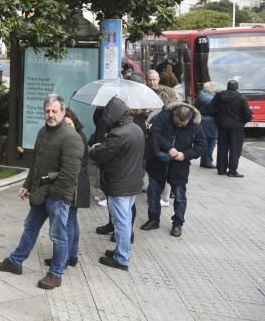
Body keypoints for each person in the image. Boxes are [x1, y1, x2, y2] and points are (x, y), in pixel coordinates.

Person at [0, 94, 83, 290]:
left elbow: (69, 175)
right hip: (42, 193)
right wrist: (27, 184)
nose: (50, 115)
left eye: (54, 111)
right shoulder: (43, 132)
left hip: (57, 197)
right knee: (30, 227)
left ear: (63, 112)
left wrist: (49, 193)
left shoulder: (71, 138)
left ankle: (56, 274)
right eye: (47, 111)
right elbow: (36, 165)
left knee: (58, 235)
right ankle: (15, 262)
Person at [88, 97, 144, 270]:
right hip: (132, 183)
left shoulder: (119, 134)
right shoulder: (136, 129)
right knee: (125, 220)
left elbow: (100, 155)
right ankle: (122, 250)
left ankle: (121, 259)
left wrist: (95, 148)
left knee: (121, 223)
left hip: (119, 185)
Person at [141, 103, 206, 237]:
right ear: (174, 115)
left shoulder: (196, 125)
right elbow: (155, 133)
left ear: (189, 119)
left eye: (183, 124)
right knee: (153, 192)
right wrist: (168, 147)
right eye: (177, 123)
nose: (179, 126)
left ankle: (177, 223)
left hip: (179, 166)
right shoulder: (164, 116)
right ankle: (153, 219)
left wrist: (185, 155)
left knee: (180, 197)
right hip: (158, 162)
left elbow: (201, 146)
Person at [50, 108, 90, 270]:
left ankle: (65, 257)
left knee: (67, 222)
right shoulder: (75, 137)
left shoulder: (75, 139)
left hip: (75, 185)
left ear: (74, 122)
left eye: (68, 123)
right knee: (71, 220)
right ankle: (71, 255)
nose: (65, 127)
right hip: (77, 184)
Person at [208, 80, 252, 178]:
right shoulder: (241, 98)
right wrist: (242, 122)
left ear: (227, 86)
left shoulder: (219, 96)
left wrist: (218, 118)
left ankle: (221, 169)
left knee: (222, 147)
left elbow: (210, 109)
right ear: (237, 87)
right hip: (236, 127)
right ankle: (232, 170)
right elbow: (248, 115)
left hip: (222, 126)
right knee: (235, 149)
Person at [195, 81, 219, 169]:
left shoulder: (200, 97)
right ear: (212, 89)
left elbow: (195, 107)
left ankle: (203, 160)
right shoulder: (213, 98)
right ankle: (208, 161)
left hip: (202, 120)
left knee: (204, 141)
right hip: (211, 122)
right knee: (211, 142)